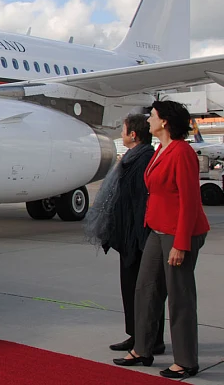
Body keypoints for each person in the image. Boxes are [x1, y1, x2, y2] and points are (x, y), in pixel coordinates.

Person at [113, 100, 210, 379]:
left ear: (164, 121)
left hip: (179, 232)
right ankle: (142, 349)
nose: (148, 120)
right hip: (156, 230)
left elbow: (190, 202)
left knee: (179, 297)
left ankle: (186, 361)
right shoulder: (159, 150)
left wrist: (181, 243)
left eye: (152, 116)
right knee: (145, 290)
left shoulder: (182, 152)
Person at [84, 114, 164, 354]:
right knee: (131, 290)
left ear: (133, 135)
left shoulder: (143, 160)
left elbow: (139, 203)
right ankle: (137, 335)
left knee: (143, 291)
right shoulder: (133, 158)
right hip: (128, 237)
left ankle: (149, 340)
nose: (121, 134)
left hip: (136, 239)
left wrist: (136, 239)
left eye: (124, 130)